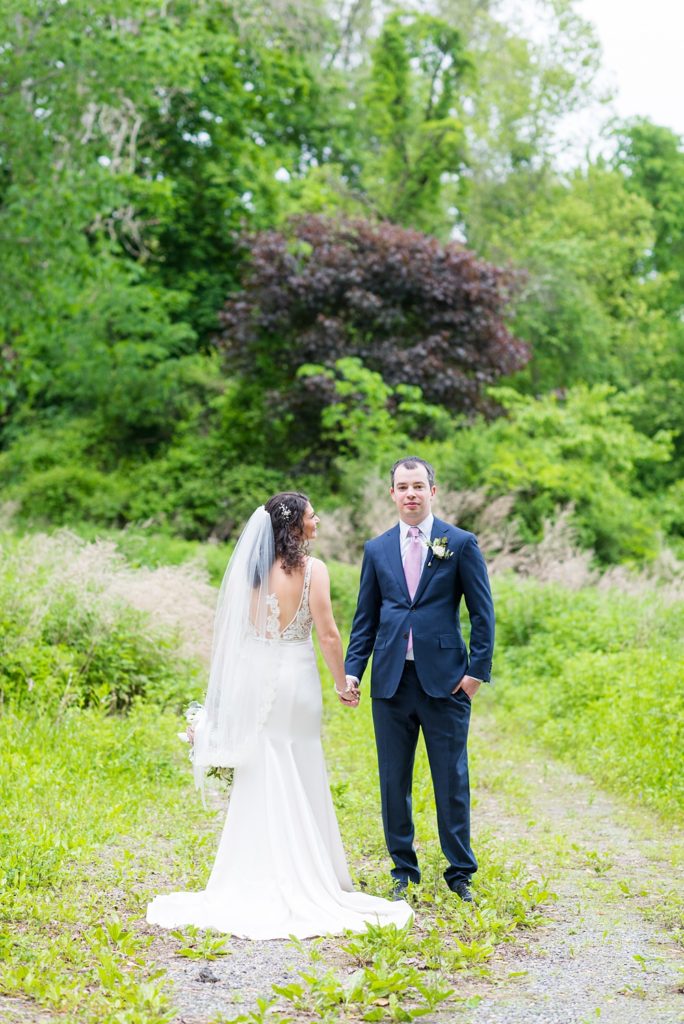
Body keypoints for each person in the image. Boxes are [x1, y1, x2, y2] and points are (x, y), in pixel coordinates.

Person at [146, 492, 412, 939]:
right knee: (302, 761)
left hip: (257, 678)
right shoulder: (313, 571)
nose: (318, 521)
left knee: (263, 766)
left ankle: (253, 870)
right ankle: (313, 871)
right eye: (312, 516)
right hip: (297, 677)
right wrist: (342, 681)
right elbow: (327, 634)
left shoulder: (251, 572)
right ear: (294, 526)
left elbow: (237, 638)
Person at [344, 458, 495, 903]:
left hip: (446, 681)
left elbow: (482, 614)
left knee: (451, 776)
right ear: (391, 493)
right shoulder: (376, 549)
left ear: (433, 490)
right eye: (402, 486)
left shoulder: (459, 543)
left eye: (418, 486)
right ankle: (403, 871)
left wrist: (475, 675)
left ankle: (460, 872)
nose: (410, 493)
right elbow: (365, 618)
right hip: (391, 681)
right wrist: (355, 670)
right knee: (394, 779)